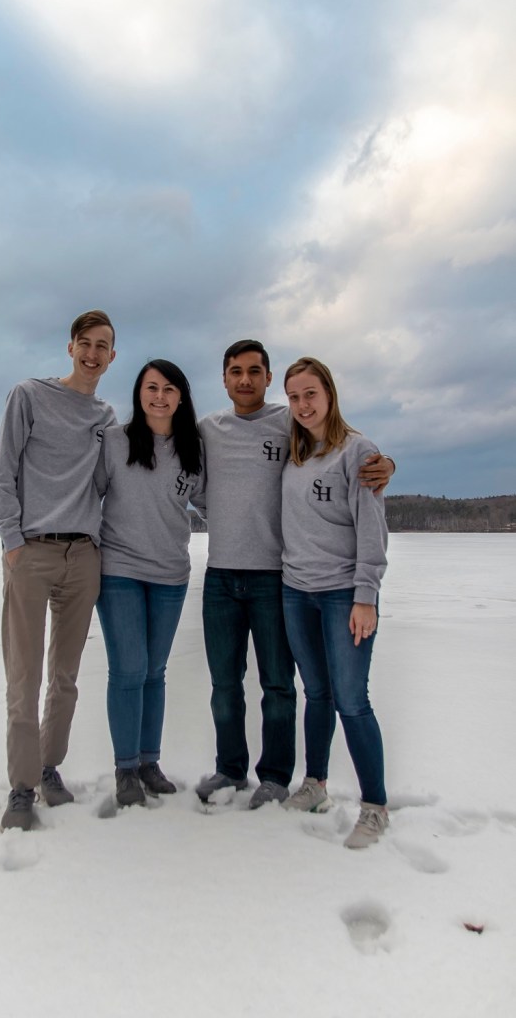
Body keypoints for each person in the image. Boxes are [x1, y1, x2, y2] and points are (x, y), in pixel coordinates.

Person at [195, 340, 394, 810]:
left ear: (268, 380)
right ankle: (232, 769)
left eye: (255, 371)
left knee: (282, 687)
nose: (245, 379)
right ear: (224, 379)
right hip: (233, 577)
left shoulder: (290, 423)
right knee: (227, 686)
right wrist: (222, 516)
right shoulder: (208, 429)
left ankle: (279, 776)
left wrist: (385, 464)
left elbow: (347, 448)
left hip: (276, 579)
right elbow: (188, 478)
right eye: (235, 371)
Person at [0, 309, 117, 831]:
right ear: (71, 348)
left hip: (83, 557)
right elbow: (2, 474)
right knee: (25, 675)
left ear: (113, 356)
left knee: (64, 678)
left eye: (102, 346)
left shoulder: (107, 418)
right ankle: (21, 789)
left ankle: (48, 768)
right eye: (85, 343)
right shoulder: (30, 395)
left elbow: (113, 482)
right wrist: (14, 545)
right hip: (33, 553)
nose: (92, 353)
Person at [280, 357, 389, 849]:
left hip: (343, 594)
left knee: (351, 699)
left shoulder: (358, 452)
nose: (303, 405)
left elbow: (372, 530)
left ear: (329, 394)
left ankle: (374, 807)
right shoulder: (294, 452)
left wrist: (365, 596)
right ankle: (316, 785)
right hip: (295, 591)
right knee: (317, 694)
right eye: (295, 396)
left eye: (310, 394)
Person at [95, 360, 205, 807]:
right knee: (128, 670)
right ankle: (124, 769)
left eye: (169, 389)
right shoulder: (116, 441)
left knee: (154, 673)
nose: (159, 396)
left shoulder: (194, 448)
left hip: (170, 575)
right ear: (139, 393)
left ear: (182, 396)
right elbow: (89, 494)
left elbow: (216, 501)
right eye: (151, 387)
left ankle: (148, 762)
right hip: (119, 570)